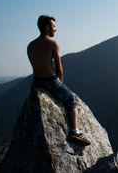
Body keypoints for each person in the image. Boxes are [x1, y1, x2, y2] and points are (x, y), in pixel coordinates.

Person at [27, 15, 90, 146]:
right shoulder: (52, 44)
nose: (55, 29)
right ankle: (75, 131)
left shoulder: (30, 45)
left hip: (36, 82)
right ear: (46, 27)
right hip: (51, 80)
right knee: (71, 102)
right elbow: (59, 66)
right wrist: (60, 81)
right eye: (53, 26)